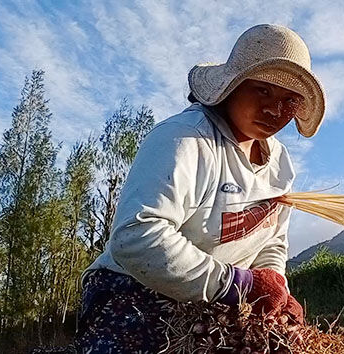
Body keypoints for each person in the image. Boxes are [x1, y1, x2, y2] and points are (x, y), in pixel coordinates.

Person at [74, 24, 326, 352]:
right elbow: (137, 236)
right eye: (262, 91)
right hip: (134, 286)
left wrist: (273, 286)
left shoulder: (279, 164)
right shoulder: (185, 138)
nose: (274, 111)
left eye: (289, 100)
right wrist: (241, 284)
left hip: (219, 294)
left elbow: (272, 241)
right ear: (231, 87)